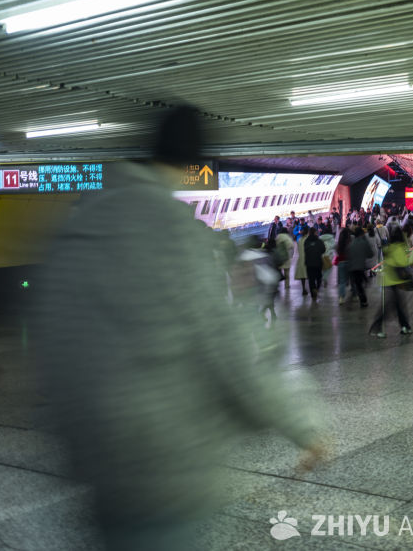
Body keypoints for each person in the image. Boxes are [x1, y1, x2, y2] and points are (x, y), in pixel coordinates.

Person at [37, 106, 329, 550]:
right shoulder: (172, 229)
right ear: (193, 161)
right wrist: (300, 426)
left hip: (93, 457)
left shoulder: (76, 228)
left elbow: (54, 341)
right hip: (160, 460)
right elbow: (224, 346)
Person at [368, 227, 413, 338]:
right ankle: (376, 328)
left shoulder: (389, 247)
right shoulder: (400, 248)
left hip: (388, 281)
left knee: (397, 306)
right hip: (395, 282)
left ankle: (405, 326)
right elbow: (404, 263)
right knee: (390, 307)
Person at [347, 227, 373, 308]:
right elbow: (370, 254)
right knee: (360, 284)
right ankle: (363, 300)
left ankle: (360, 298)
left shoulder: (351, 244)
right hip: (361, 267)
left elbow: (348, 255)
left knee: (358, 284)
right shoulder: (364, 242)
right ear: (361, 234)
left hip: (352, 268)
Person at [303, 228, 326, 302]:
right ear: (315, 233)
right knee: (319, 277)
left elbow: (305, 250)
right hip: (318, 262)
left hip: (309, 263)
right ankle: (317, 288)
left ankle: (313, 294)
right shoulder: (319, 241)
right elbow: (323, 250)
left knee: (311, 279)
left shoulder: (306, 241)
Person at [334, 228, 351, 305]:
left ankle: (341, 297)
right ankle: (355, 295)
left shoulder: (338, 244)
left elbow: (336, 251)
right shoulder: (350, 243)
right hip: (349, 262)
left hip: (341, 263)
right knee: (350, 279)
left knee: (342, 281)